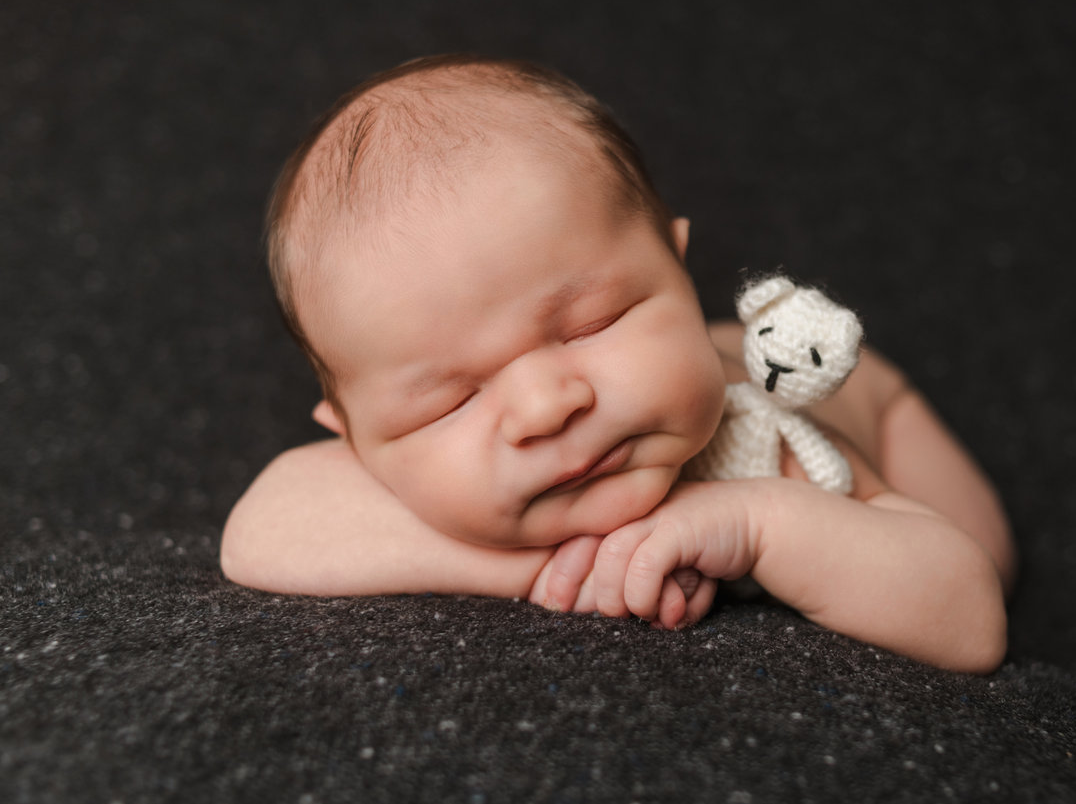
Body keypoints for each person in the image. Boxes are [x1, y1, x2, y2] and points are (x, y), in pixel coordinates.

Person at [221, 55, 1016, 673]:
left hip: (877, 402)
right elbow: (262, 526)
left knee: (991, 556)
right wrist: (538, 566)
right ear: (355, 436)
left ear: (677, 268)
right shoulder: (401, 467)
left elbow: (967, 616)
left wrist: (752, 523)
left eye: (593, 322)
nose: (545, 405)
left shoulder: (774, 453)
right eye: (450, 401)